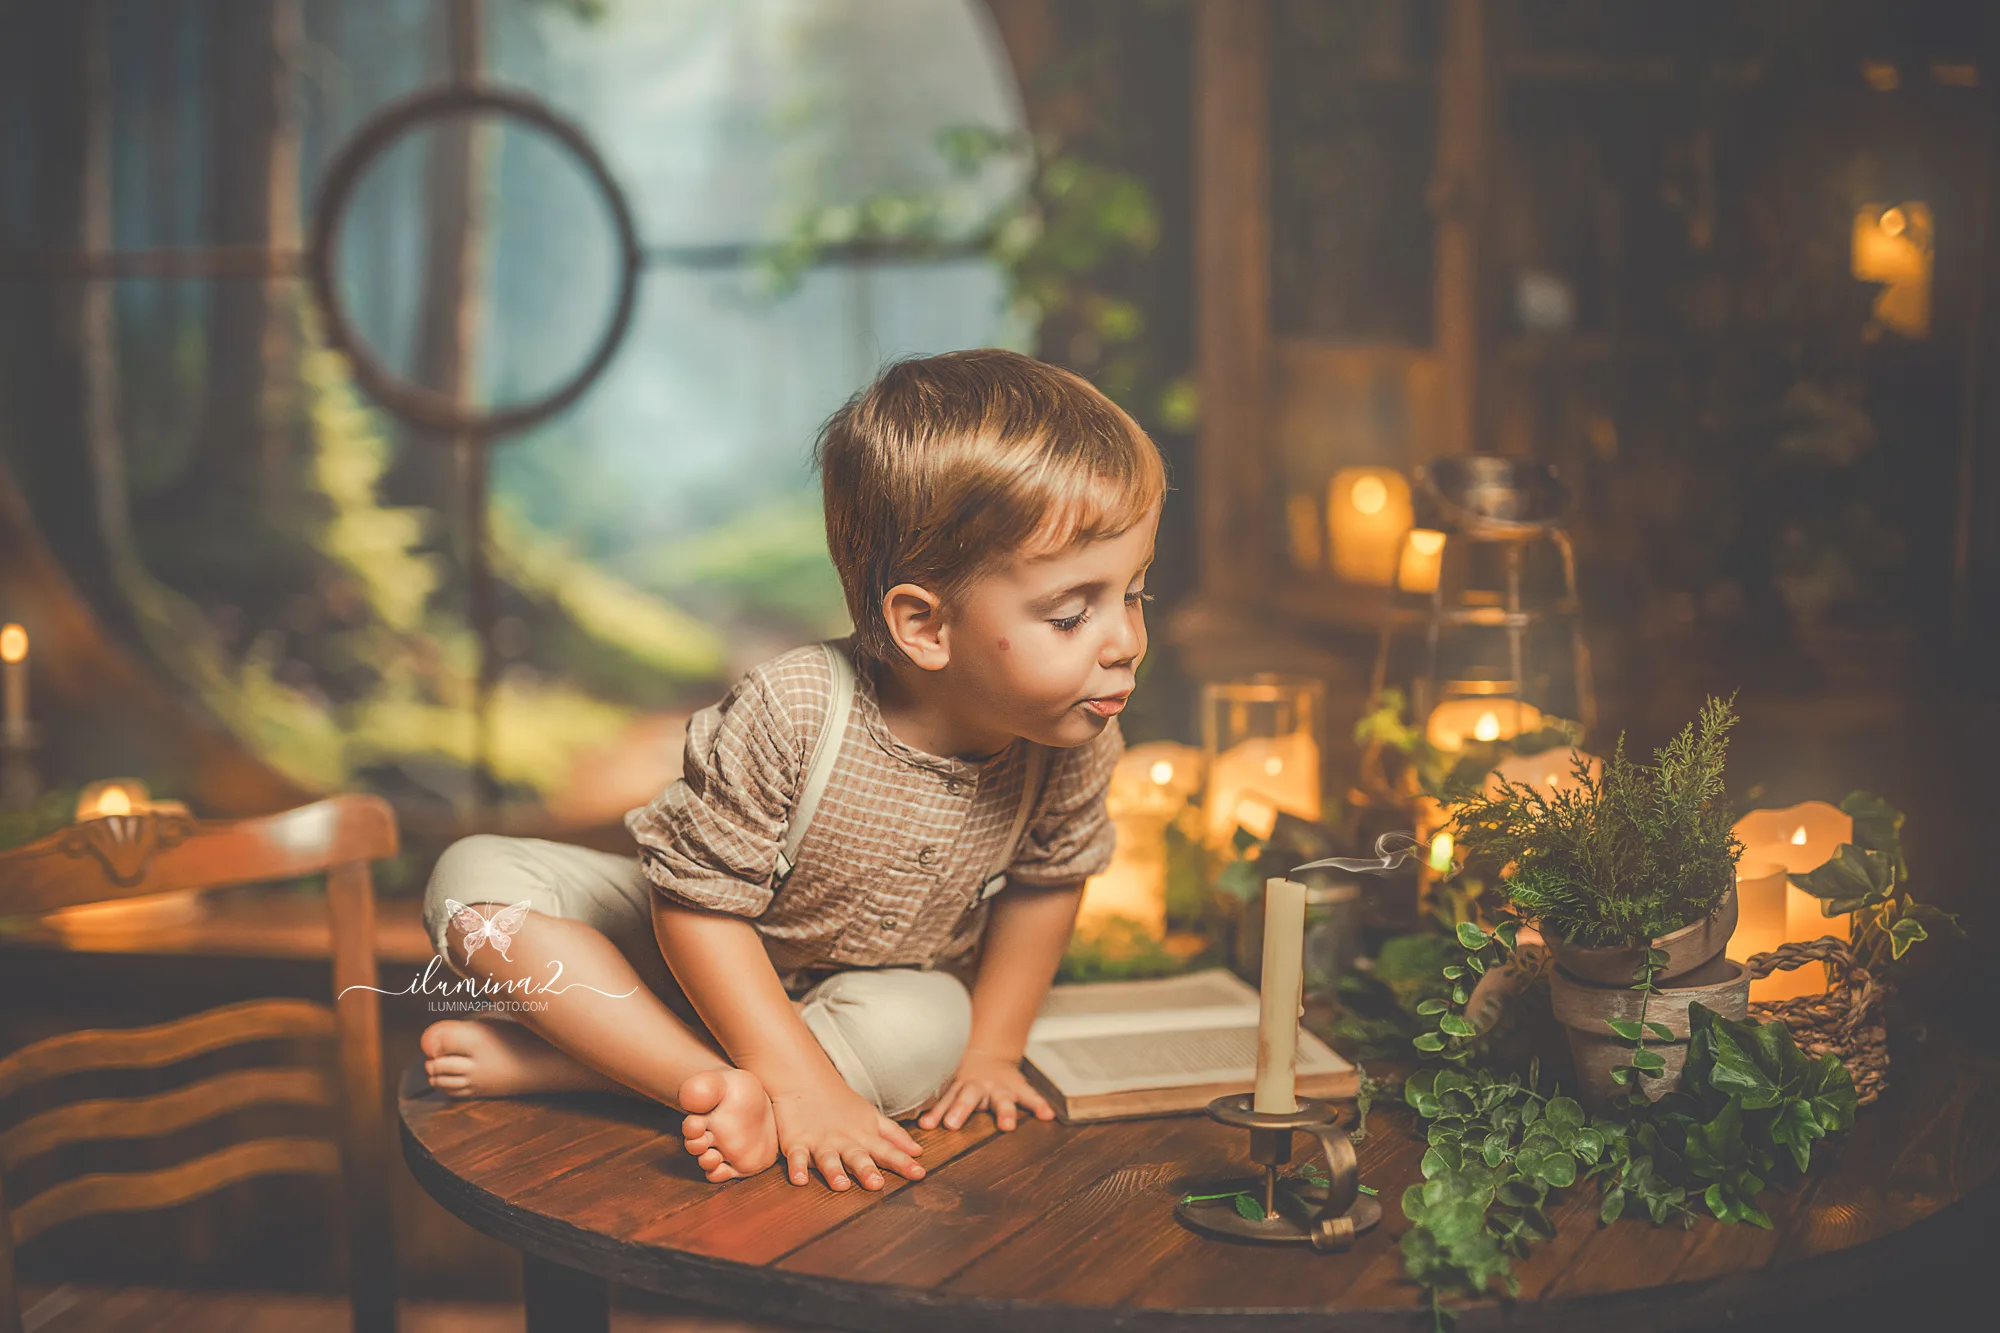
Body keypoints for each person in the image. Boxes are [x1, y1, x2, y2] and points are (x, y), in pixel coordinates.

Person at [416, 348, 1166, 1194]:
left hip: (852, 996)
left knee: (933, 1029)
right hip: (683, 946)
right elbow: (692, 906)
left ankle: (614, 1069)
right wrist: (806, 1087)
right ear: (925, 625)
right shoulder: (797, 709)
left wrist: (991, 1053)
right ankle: (716, 1077)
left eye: (1136, 592)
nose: (1125, 640)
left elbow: (1046, 885)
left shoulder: (1070, 739)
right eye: (1074, 614)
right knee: (470, 879)